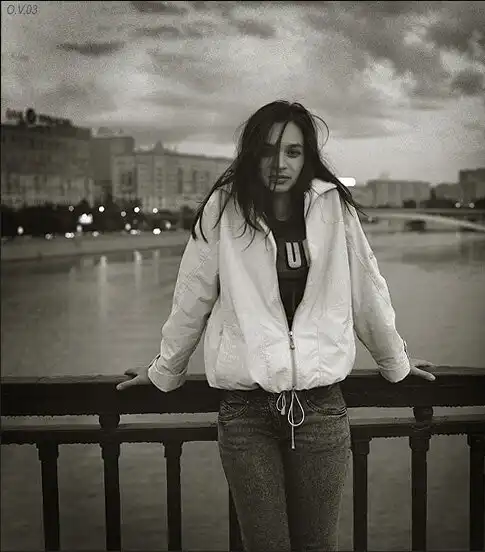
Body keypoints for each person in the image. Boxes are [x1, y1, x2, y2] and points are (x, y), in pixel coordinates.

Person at [117, 100, 435, 551]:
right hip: (246, 414)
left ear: (307, 157)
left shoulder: (332, 206)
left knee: (317, 547)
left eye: (293, 152)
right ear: (252, 153)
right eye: (268, 151)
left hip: (320, 408)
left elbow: (366, 289)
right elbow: (192, 296)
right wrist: (164, 370)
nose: (280, 163)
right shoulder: (224, 209)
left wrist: (395, 362)